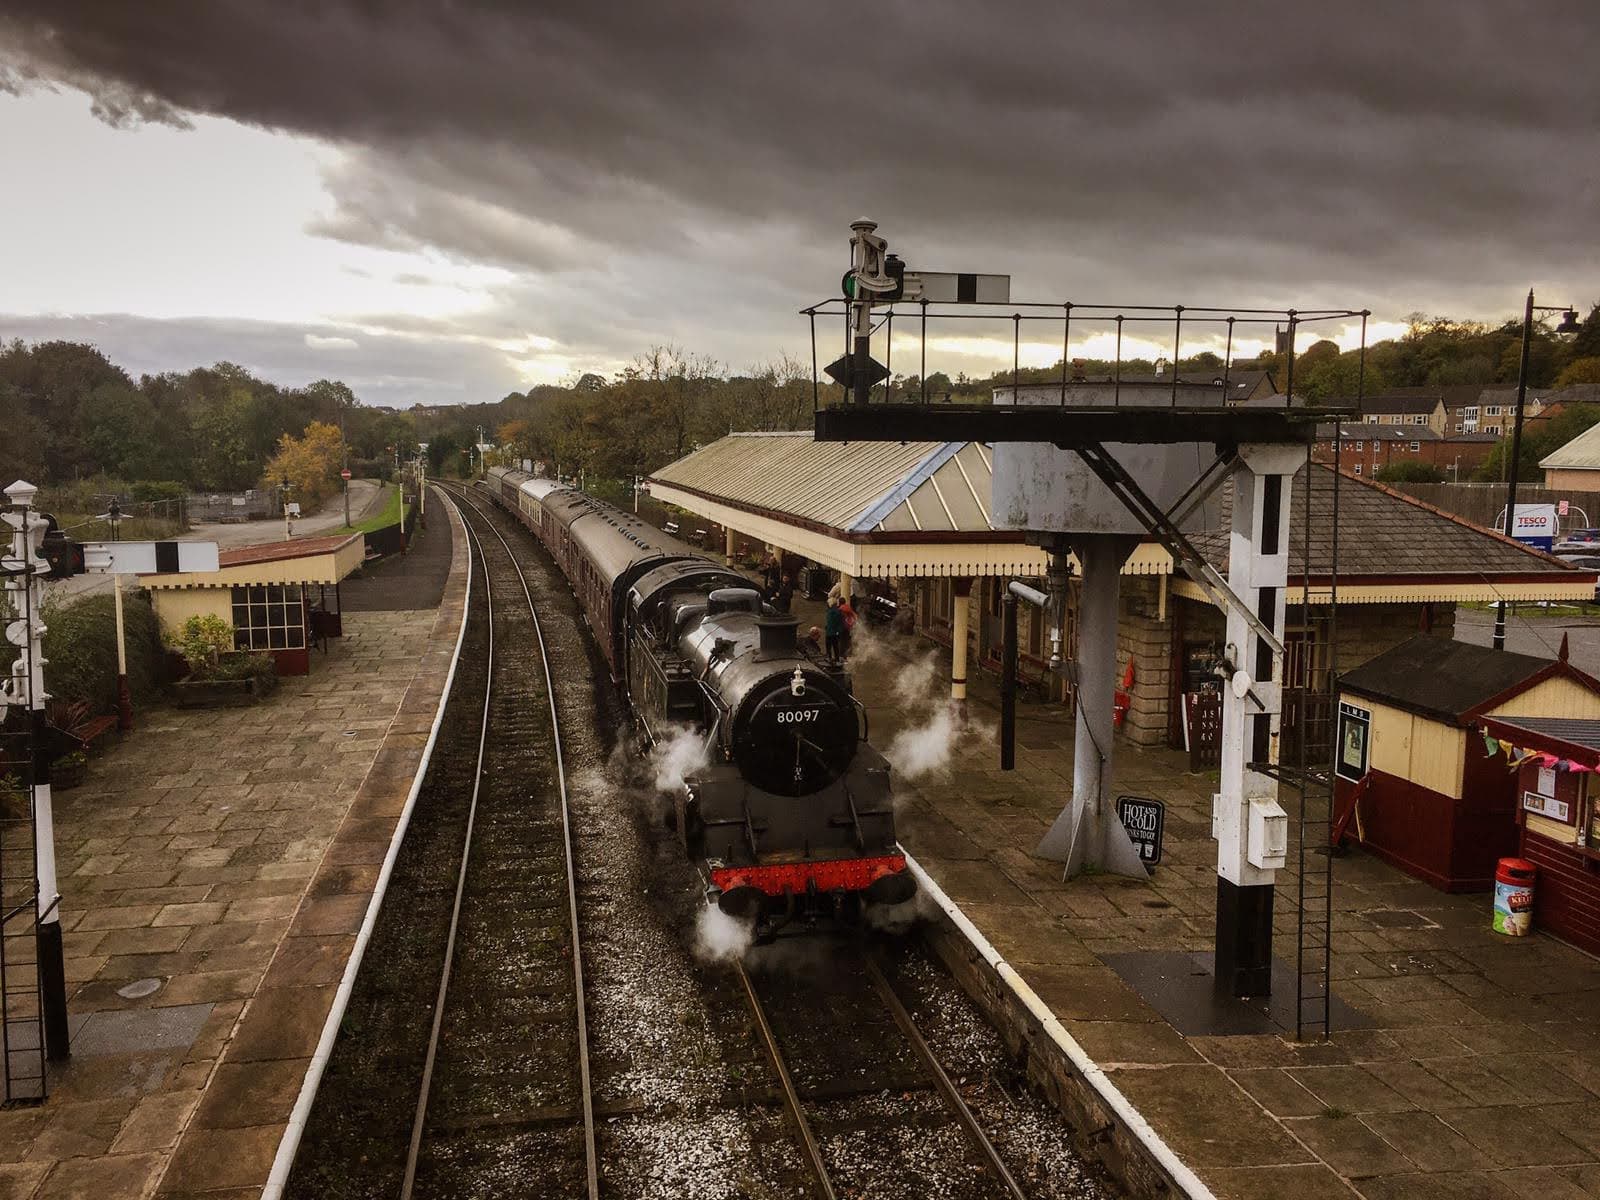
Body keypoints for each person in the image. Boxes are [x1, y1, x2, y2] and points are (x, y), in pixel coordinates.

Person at [823, 599, 845, 664]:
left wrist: (827, 627)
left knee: (828, 646)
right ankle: (837, 659)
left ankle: (829, 658)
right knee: (836, 646)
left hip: (829, 632)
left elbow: (830, 622)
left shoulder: (830, 612)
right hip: (835, 632)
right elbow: (840, 622)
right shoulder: (838, 612)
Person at [838, 594, 857, 659]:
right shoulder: (848, 607)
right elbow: (854, 615)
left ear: (839, 603)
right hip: (848, 627)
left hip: (842, 627)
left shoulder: (840, 609)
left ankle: (841, 655)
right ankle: (848, 653)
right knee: (847, 640)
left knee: (841, 641)